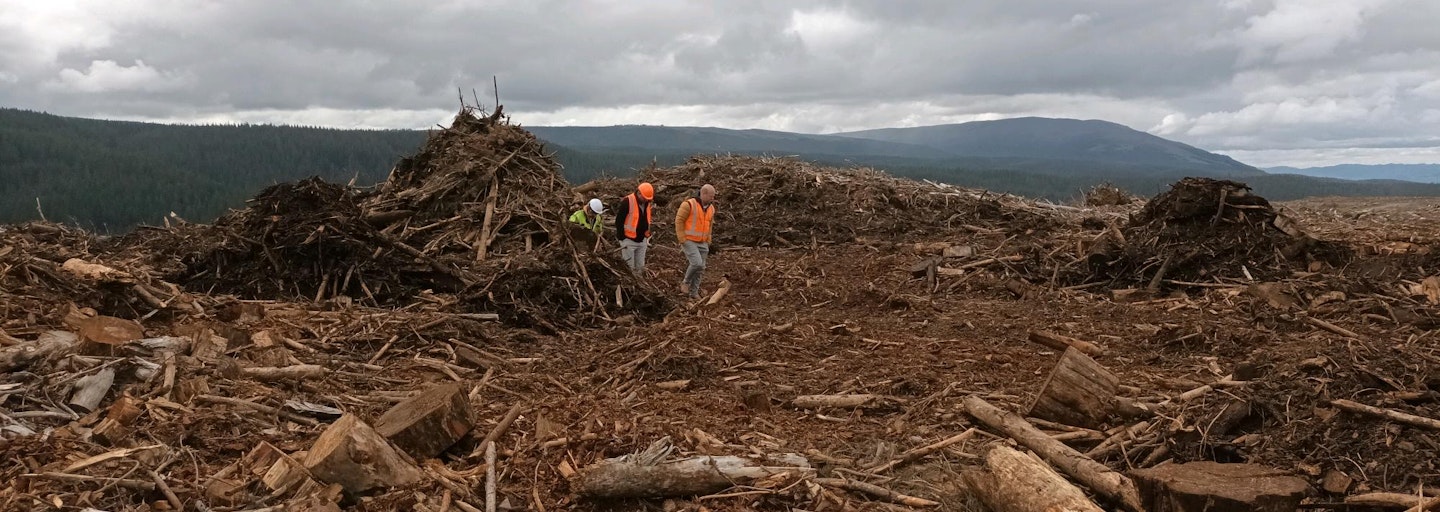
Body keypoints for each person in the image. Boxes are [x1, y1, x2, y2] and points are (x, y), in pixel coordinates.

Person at [675, 184, 716, 298]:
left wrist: (708, 238)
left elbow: (710, 224)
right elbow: (679, 221)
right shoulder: (689, 205)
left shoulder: (711, 208)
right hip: (689, 240)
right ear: (703, 194)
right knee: (696, 263)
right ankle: (686, 282)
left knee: (701, 268)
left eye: (713, 196)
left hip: (703, 242)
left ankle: (694, 292)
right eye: (711, 196)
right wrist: (681, 238)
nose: (712, 199)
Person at [614, 182, 654, 274]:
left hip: (642, 240)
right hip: (628, 241)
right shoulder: (627, 202)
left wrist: (647, 235)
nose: (646, 200)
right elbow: (619, 221)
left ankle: (640, 285)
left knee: (640, 268)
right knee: (629, 269)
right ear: (639, 193)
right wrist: (622, 239)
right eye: (645, 198)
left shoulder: (646, 203)